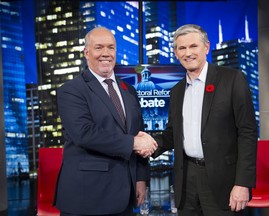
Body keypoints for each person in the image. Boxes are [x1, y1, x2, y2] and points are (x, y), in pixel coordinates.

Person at [151, 24, 258, 216]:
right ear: (175, 53)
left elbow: (248, 133)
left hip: (223, 180)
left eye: (193, 46)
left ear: (206, 47)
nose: (188, 53)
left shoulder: (233, 79)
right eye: (182, 48)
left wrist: (243, 183)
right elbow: (172, 133)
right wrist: (150, 143)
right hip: (186, 180)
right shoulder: (176, 91)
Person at [54, 26, 157, 216]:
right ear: (86, 52)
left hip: (126, 197)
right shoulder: (71, 90)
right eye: (99, 47)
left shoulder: (129, 90)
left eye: (110, 47)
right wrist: (134, 143)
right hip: (87, 198)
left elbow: (139, 133)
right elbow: (84, 134)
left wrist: (141, 179)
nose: (106, 53)